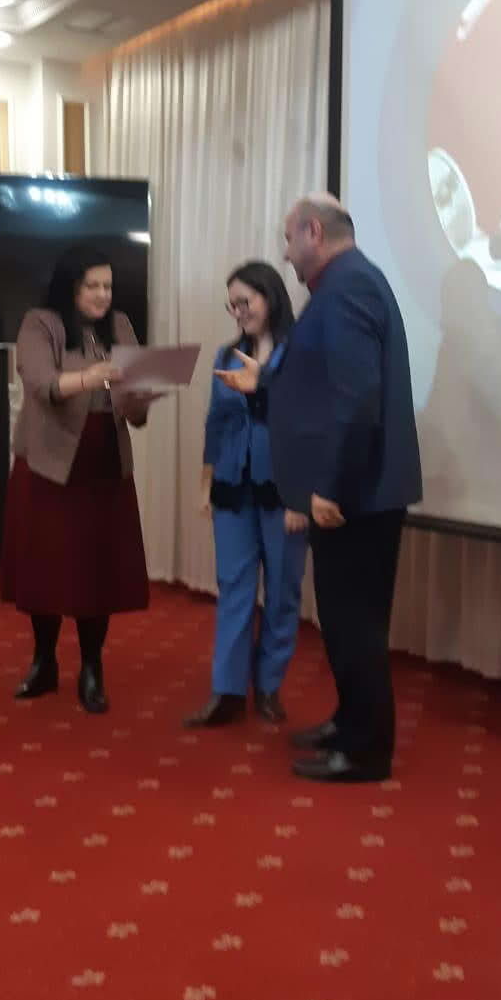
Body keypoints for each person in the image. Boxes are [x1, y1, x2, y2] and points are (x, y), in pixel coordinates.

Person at [216, 195, 421, 783]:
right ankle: (350, 724)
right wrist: (264, 380)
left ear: (313, 230)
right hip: (354, 489)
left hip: (354, 493)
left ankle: (365, 752)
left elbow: (355, 397)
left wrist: (330, 485)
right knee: (342, 621)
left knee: (356, 626)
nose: (284, 253)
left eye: (288, 238)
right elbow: (321, 378)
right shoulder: (342, 284)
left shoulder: (348, 286)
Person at [0, 245, 156, 714]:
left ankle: (91, 668)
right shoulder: (41, 323)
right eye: (93, 286)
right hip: (48, 464)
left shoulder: (120, 325)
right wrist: (94, 377)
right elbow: (42, 384)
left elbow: (136, 410)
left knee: (97, 572)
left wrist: (142, 392)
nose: (103, 294)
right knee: (44, 568)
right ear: (71, 286)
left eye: (108, 286)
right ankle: (43, 661)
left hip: (103, 463)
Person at [184, 261, 308, 729]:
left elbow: (310, 424)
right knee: (234, 588)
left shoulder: (300, 352)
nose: (239, 312)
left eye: (245, 301)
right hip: (233, 486)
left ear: (269, 296)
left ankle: (269, 685)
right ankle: (228, 690)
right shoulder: (227, 353)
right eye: (232, 305)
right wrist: (205, 484)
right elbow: (215, 423)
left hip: (284, 490)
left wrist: (303, 496)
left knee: (281, 592)